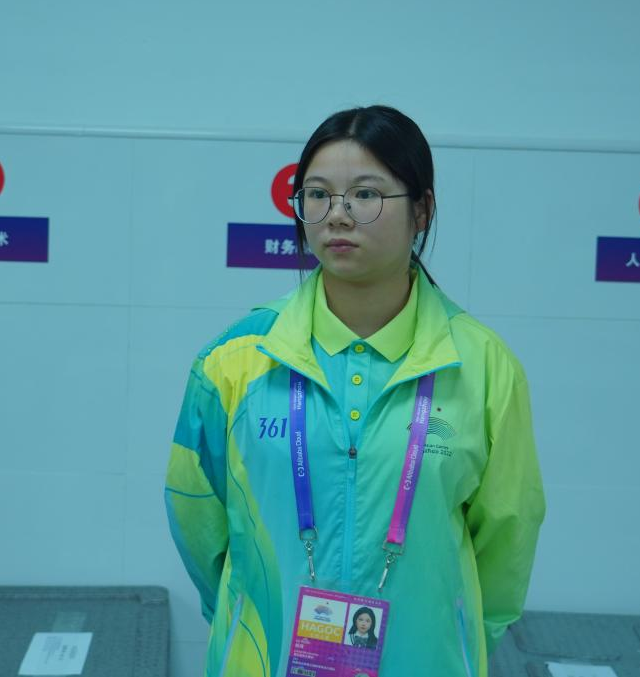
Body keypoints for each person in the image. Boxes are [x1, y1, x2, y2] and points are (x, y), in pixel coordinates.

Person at [165, 105, 545, 676]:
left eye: (365, 195)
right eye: (317, 195)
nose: (337, 216)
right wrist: (247, 608)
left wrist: (452, 632)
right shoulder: (235, 359)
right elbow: (196, 514)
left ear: (422, 209)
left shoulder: (483, 366)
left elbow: (507, 539)